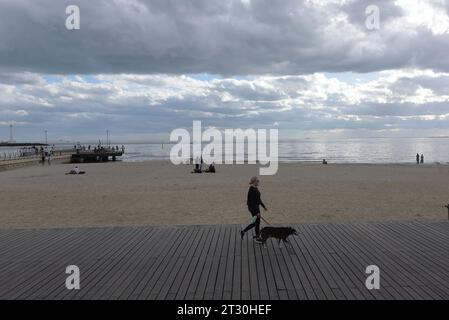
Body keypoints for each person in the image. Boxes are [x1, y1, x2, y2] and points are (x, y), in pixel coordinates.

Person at [241, 176, 268, 242]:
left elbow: (258, 199)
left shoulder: (255, 188)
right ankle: (256, 238)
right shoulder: (252, 190)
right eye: (257, 181)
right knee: (256, 223)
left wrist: (263, 206)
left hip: (255, 207)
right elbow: (252, 202)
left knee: (256, 222)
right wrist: (257, 212)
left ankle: (244, 232)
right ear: (254, 182)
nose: (258, 182)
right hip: (253, 208)